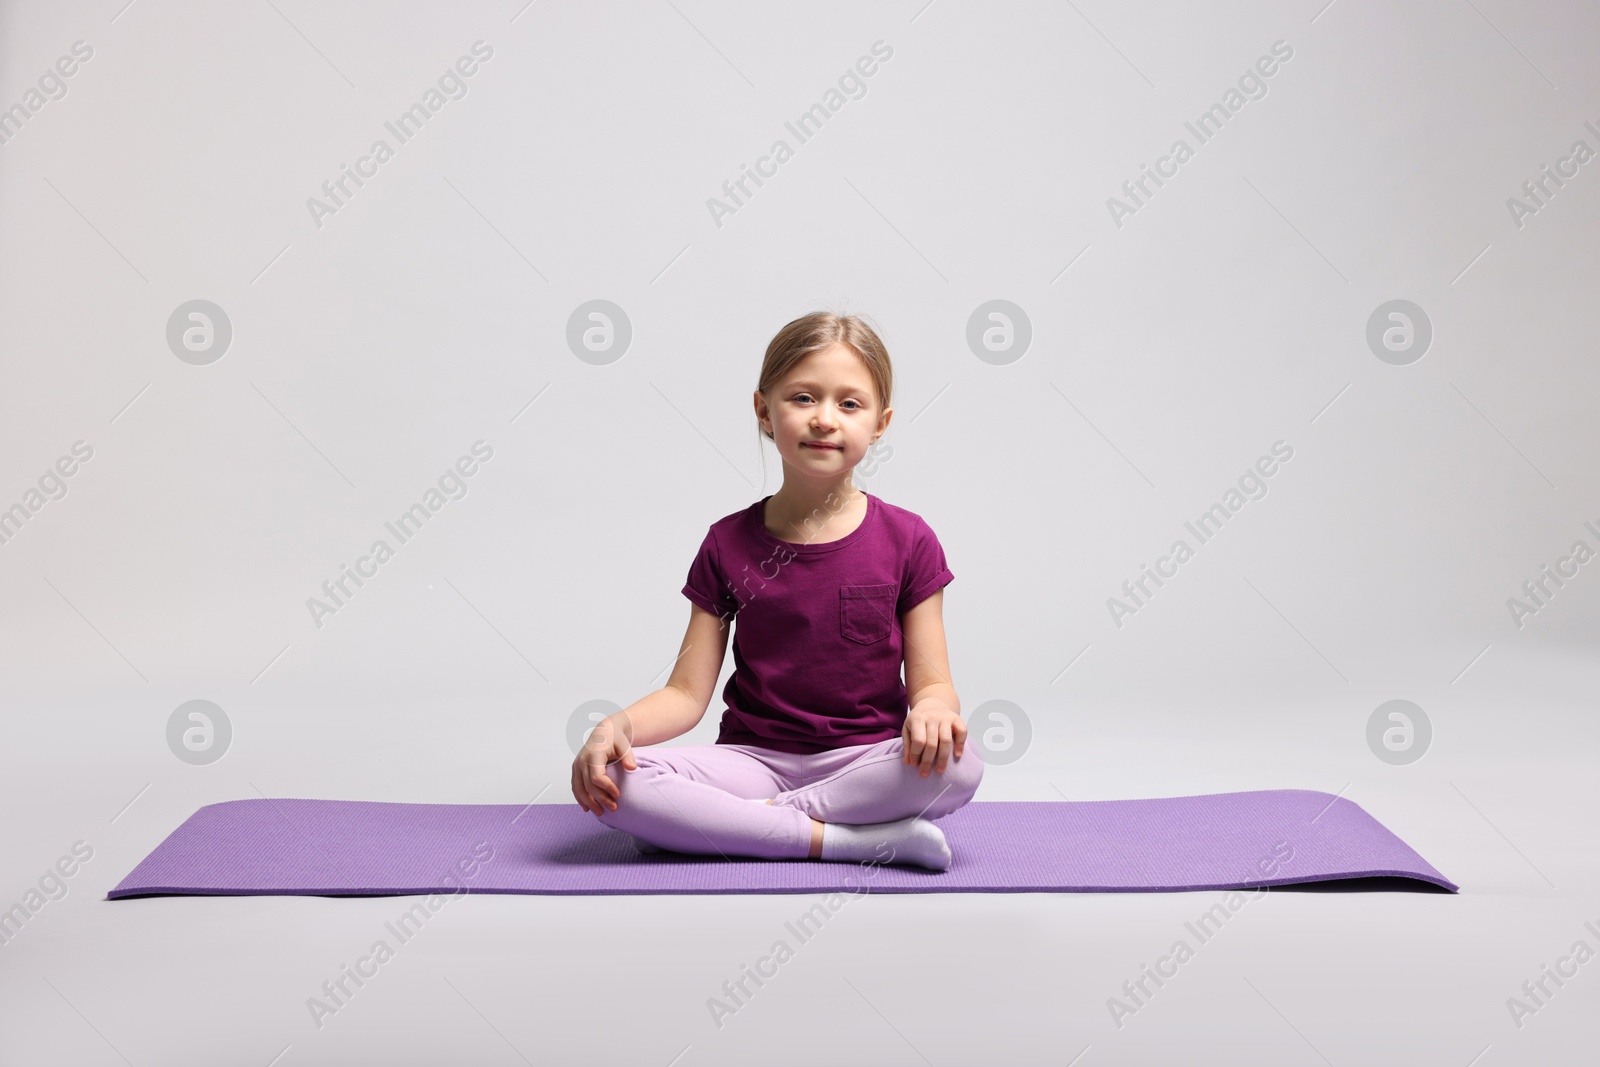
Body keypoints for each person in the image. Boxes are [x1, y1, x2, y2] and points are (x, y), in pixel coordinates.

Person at [571, 310, 982, 870]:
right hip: (752, 760)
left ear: (880, 423)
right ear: (765, 410)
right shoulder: (726, 543)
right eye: (803, 398)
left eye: (850, 403)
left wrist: (934, 710)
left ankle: (725, 825)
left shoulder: (909, 539)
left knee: (962, 766)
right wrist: (616, 725)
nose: (825, 420)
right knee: (619, 780)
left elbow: (934, 684)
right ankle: (846, 841)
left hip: (864, 765)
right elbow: (687, 696)